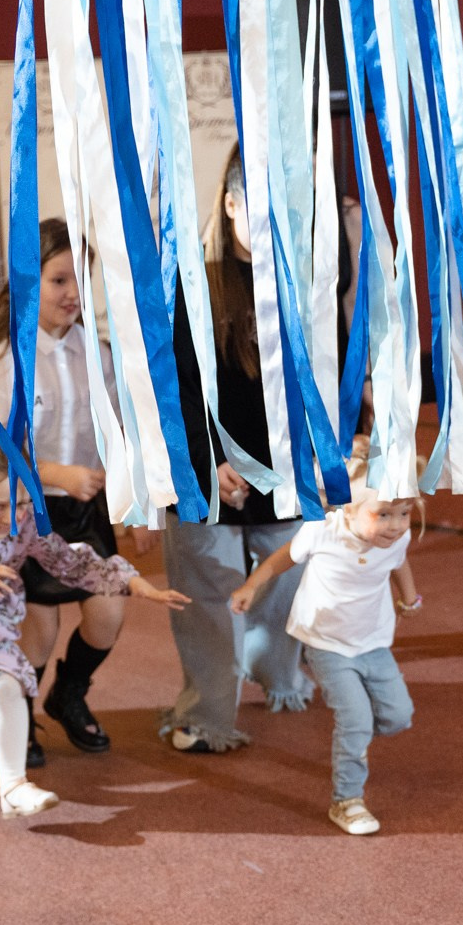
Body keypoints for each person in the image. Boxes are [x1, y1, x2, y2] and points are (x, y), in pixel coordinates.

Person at [0, 417, 189, 818]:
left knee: (8, 683)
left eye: (23, 504)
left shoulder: (22, 526)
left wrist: (132, 583)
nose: (13, 518)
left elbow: (69, 559)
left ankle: (13, 784)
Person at [159, 145, 320, 754]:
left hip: (285, 474)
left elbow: (321, 381)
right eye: (259, 203)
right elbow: (171, 388)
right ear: (229, 204)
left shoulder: (306, 282)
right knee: (207, 603)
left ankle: (276, 675)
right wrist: (206, 463)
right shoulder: (193, 283)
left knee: (285, 589)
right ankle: (205, 716)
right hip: (208, 476)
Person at [0, 218, 130, 770]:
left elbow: (114, 430)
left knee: (109, 613)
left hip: (85, 511)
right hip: (29, 512)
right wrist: (58, 475)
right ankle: (20, 718)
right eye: (58, 281)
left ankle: (69, 695)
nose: (72, 294)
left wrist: (121, 484)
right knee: (38, 631)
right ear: (29, 283)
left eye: (78, 280)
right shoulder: (4, 356)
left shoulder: (99, 353)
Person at [230, 467, 421, 835]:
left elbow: (399, 561)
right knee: (356, 721)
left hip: (374, 642)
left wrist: (409, 598)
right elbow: (281, 558)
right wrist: (252, 586)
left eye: (404, 513)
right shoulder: (323, 530)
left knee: (398, 716)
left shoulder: (396, 538)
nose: (395, 525)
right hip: (326, 644)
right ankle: (347, 801)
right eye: (383, 513)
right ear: (348, 509)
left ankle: (352, 741)